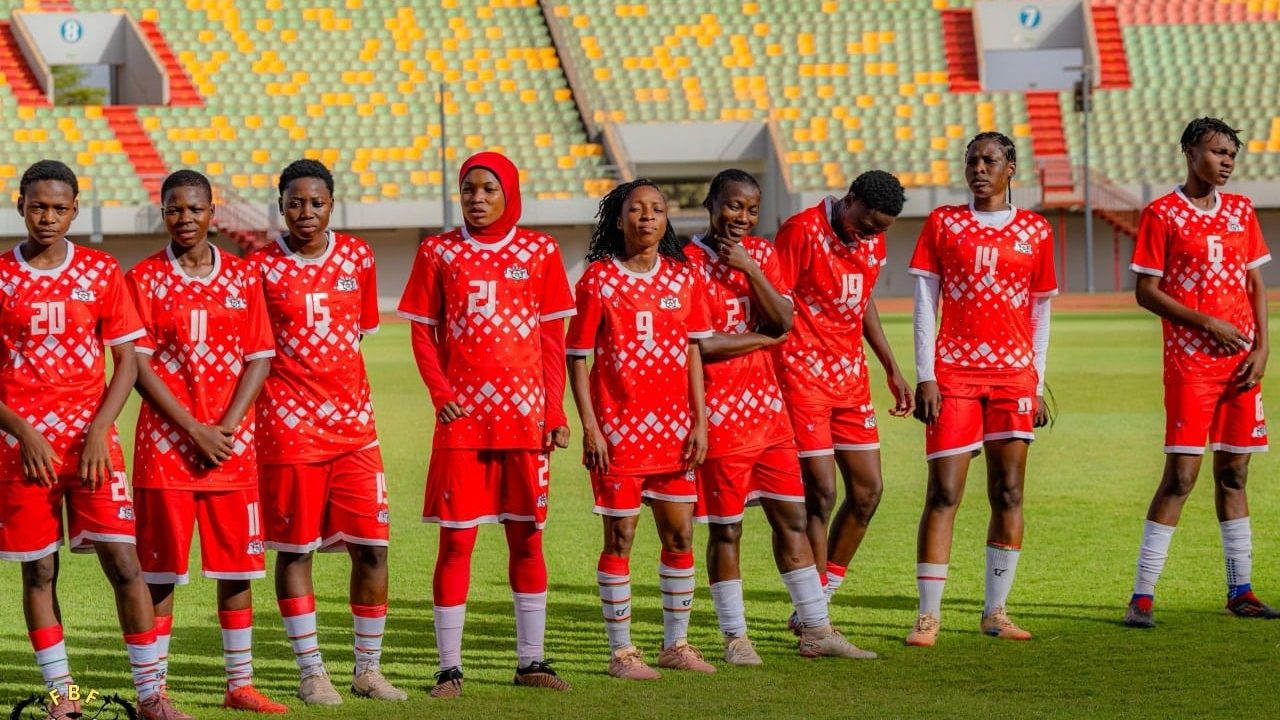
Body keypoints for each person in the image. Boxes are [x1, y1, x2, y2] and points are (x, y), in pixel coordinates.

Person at [0, 160, 189, 720]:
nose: (48, 217)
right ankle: (63, 697)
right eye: (38, 206)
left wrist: (100, 429)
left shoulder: (102, 270)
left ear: (75, 210)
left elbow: (126, 362)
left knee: (125, 564)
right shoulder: (2, 275)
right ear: (20, 206)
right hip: (24, 452)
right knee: (39, 571)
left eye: (59, 208)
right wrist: (23, 432)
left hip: (92, 449)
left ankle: (152, 696)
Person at [398, 151, 574, 697]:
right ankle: (449, 668)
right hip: (464, 423)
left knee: (528, 541)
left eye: (488, 189)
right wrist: (441, 394)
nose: (476, 198)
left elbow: (552, 340)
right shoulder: (438, 251)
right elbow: (423, 331)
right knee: (456, 542)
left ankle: (531, 662)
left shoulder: (540, 251)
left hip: (525, 422)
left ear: (509, 193)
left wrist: (554, 410)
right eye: (468, 189)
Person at [687, 169, 879, 665]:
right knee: (727, 529)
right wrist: (761, 338)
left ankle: (817, 629)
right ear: (711, 204)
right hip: (718, 411)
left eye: (751, 210)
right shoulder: (686, 262)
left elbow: (785, 320)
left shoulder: (762, 254)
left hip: (769, 411)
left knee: (792, 518)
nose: (742, 217)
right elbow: (701, 346)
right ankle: (735, 637)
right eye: (733, 206)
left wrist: (750, 269)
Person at [127, 170, 285, 714]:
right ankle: (154, 691)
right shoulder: (143, 278)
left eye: (195, 209)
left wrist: (227, 428)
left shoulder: (243, 275)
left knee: (237, 569)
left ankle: (240, 685)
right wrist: (193, 428)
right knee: (160, 572)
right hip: (164, 448)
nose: (185, 218)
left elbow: (259, 356)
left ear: (212, 213)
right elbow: (137, 364)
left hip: (231, 447)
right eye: (174, 209)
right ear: (163, 214)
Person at [250, 160, 408, 703]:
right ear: (281, 206)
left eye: (316, 202)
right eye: (295, 202)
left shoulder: (358, 256)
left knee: (374, 549)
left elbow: (358, 334)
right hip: (288, 431)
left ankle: (368, 670)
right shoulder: (260, 267)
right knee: (297, 551)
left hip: (355, 431)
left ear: (332, 205)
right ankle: (312, 671)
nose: (306, 212)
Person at [1124, 117, 1278, 627]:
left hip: (1241, 365)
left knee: (1234, 474)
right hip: (1190, 364)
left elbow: (1255, 283)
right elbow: (1146, 292)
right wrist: (1206, 322)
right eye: (1217, 152)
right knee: (1181, 477)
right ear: (1190, 152)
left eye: (1232, 154)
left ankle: (1241, 590)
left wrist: (1263, 348)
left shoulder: (1241, 210)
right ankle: (1142, 595)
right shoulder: (1162, 213)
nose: (1227, 161)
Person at [906, 132, 1056, 647]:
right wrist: (925, 374)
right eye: (972, 160)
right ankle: (928, 616)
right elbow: (924, 302)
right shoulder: (943, 223)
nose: (979, 168)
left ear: (1011, 167)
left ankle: (996, 612)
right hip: (953, 375)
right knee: (944, 491)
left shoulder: (1036, 230)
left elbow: (1040, 312)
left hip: (1014, 377)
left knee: (1008, 492)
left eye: (990, 160)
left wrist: (1036, 381)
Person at [567, 179, 715, 680]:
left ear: (666, 219)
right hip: (618, 435)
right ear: (619, 219)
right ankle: (622, 652)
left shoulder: (683, 277)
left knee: (680, 537)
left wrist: (700, 421)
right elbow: (577, 357)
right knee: (621, 538)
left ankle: (677, 644)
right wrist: (591, 427)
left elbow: (693, 351)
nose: (647, 217)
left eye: (657, 209)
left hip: (675, 433)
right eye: (636, 209)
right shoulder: (598, 280)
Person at [772, 169, 912, 626]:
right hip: (801, 377)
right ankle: (813, 616)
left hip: (850, 380)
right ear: (849, 199)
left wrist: (891, 367)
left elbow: (863, 300)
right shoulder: (801, 231)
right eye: (867, 225)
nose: (870, 236)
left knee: (868, 491)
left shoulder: (873, 237)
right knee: (822, 493)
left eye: (879, 231)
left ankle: (821, 596)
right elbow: (775, 302)